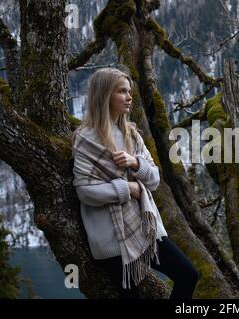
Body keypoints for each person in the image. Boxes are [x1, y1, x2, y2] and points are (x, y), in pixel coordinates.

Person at [71, 67, 198, 299]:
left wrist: (135, 163)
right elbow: (85, 192)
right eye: (122, 91)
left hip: (145, 229)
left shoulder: (132, 135)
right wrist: (127, 188)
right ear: (105, 95)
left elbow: (155, 179)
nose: (129, 97)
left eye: (129, 91)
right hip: (112, 239)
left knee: (188, 275)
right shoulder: (85, 139)